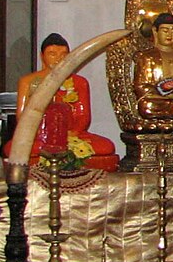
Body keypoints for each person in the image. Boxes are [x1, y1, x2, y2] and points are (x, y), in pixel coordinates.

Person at [6, 33, 119, 171]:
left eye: (63, 54)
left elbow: (83, 117)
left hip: (70, 136)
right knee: (13, 147)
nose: (59, 58)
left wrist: (73, 133)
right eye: (52, 54)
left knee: (106, 147)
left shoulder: (79, 83)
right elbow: (22, 117)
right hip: (40, 137)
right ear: (42, 56)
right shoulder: (28, 81)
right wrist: (42, 134)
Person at [133, 12, 173, 118]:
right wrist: (163, 94)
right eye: (165, 31)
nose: (169, 35)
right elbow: (140, 86)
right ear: (155, 31)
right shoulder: (147, 57)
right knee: (147, 106)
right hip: (160, 102)